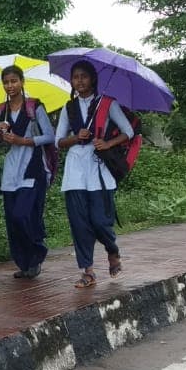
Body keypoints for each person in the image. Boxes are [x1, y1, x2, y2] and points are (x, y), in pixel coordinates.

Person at [54, 59, 135, 288]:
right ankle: (88, 271)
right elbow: (58, 141)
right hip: (74, 173)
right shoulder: (67, 108)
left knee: (100, 222)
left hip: (98, 171)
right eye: (75, 77)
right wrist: (75, 137)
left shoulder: (108, 104)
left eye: (84, 76)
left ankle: (112, 250)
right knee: (79, 224)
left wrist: (107, 144)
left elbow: (128, 131)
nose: (79, 81)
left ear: (93, 79)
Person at [0, 65, 57, 279]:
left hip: (33, 168)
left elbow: (50, 136)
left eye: (14, 81)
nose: (10, 86)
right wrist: (2, 135)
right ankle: (25, 263)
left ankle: (37, 253)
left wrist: (24, 140)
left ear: (22, 82)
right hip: (11, 171)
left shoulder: (34, 107)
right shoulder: (0, 111)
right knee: (12, 219)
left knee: (24, 215)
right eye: (6, 82)